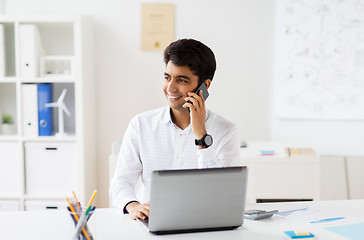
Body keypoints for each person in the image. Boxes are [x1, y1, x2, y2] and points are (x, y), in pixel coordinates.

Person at [109, 38, 241, 220]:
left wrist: (202, 137)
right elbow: (121, 181)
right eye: (167, 77)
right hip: (151, 223)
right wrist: (132, 205)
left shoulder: (226, 131)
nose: (170, 88)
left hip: (203, 225)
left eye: (182, 80)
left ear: (205, 86)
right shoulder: (141, 124)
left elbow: (224, 195)